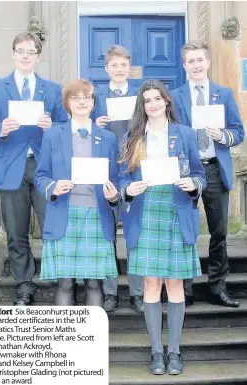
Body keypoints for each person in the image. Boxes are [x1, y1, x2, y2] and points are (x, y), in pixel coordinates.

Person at [119, 80, 206, 375]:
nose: (153, 104)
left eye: (157, 98)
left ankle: (175, 351)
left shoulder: (184, 134)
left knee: (175, 283)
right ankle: (157, 352)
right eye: (147, 100)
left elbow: (199, 173)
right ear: (142, 106)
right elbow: (122, 179)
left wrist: (194, 184)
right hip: (145, 212)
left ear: (167, 102)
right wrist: (128, 190)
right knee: (152, 283)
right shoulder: (133, 138)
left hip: (175, 209)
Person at [0, 32, 68, 306]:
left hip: (45, 168)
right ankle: (25, 286)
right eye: (21, 51)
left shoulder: (51, 89)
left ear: (38, 56)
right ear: (14, 54)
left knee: (53, 225)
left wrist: (54, 127)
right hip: (11, 166)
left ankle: (60, 280)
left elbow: (65, 125)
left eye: (31, 52)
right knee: (16, 233)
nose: (26, 56)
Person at [170, 40, 245, 307]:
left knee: (219, 231)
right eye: (191, 61)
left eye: (200, 60)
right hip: (186, 170)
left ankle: (217, 285)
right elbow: (167, 131)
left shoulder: (223, 94)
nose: (196, 65)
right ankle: (185, 287)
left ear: (208, 62)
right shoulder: (174, 96)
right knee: (184, 229)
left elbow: (238, 131)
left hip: (214, 167)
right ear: (184, 66)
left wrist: (222, 135)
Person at [34, 79, 119, 307]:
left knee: (94, 283)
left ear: (93, 103)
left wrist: (114, 195)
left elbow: (116, 179)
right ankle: (65, 338)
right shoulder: (52, 135)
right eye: (75, 97)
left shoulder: (108, 138)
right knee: (65, 283)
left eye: (87, 97)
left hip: (96, 215)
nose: (82, 102)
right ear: (67, 103)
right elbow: (41, 175)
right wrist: (53, 187)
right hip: (65, 213)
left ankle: (93, 338)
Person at [93, 44, 144, 313]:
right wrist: (95, 124)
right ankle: (110, 292)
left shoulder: (141, 95)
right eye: (114, 65)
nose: (119, 69)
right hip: (106, 167)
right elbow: (83, 128)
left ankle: (137, 293)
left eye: (124, 65)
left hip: (135, 166)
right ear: (107, 69)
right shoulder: (95, 95)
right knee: (107, 233)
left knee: (134, 233)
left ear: (129, 67)